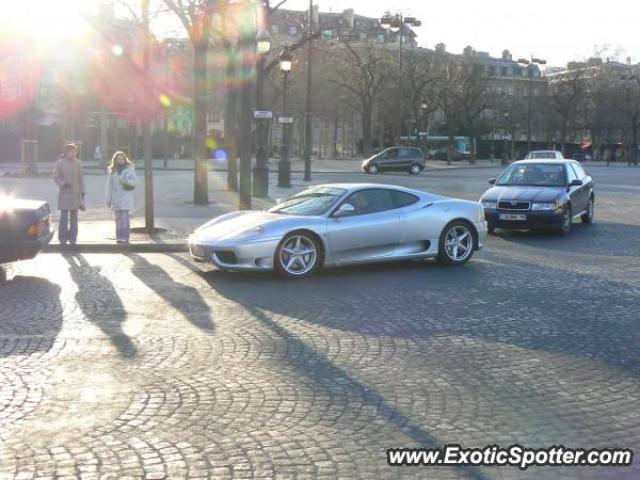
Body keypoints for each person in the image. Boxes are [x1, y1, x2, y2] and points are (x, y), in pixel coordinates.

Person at [53, 144, 85, 246]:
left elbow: (81, 179)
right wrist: (63, 183)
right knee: (64, 216)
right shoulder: (60, 163)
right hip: (64, 193)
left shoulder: (78, 163)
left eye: (75, 152)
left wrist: (83, 193)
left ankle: (73, 238)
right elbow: (55, 177)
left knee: (74, 217)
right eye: (71, 152)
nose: (73, 154)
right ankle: (62, 238)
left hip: (76, 193)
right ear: (66, 152)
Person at [105, 151, 138, 244]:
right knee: (118, 219)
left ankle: (125, 237)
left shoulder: (129, 169)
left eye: (122, 158)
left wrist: (127, 182)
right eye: (118, 159)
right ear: (115, 160)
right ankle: (119, 236)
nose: (120, 160)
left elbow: (135, 181)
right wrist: (108, 199)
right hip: (116, 197)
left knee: (124, 217)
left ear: (125, 159)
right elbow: (109, 186)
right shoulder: (112, 170)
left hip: (126, 196)